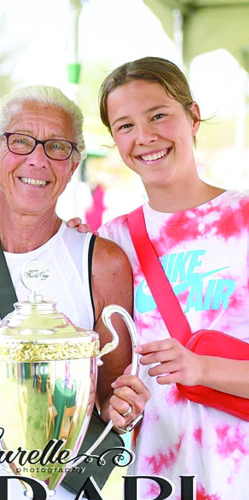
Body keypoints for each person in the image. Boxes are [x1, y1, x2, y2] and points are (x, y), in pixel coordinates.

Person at [0, 85, 150, 498]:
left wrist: (123, 409)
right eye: (20, 141)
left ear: (73, 165)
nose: (37, 159)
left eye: (57, 147)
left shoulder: (103, 263)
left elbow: (111, 402)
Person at [97, 56, 249, 499]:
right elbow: (107, 375)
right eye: (125, 126)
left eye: (158, 115)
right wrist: (115, 404)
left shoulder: (242, 220)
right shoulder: (111, 243)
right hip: (159, 476)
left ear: (193, 117)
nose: (145, 136)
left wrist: (201, 368)